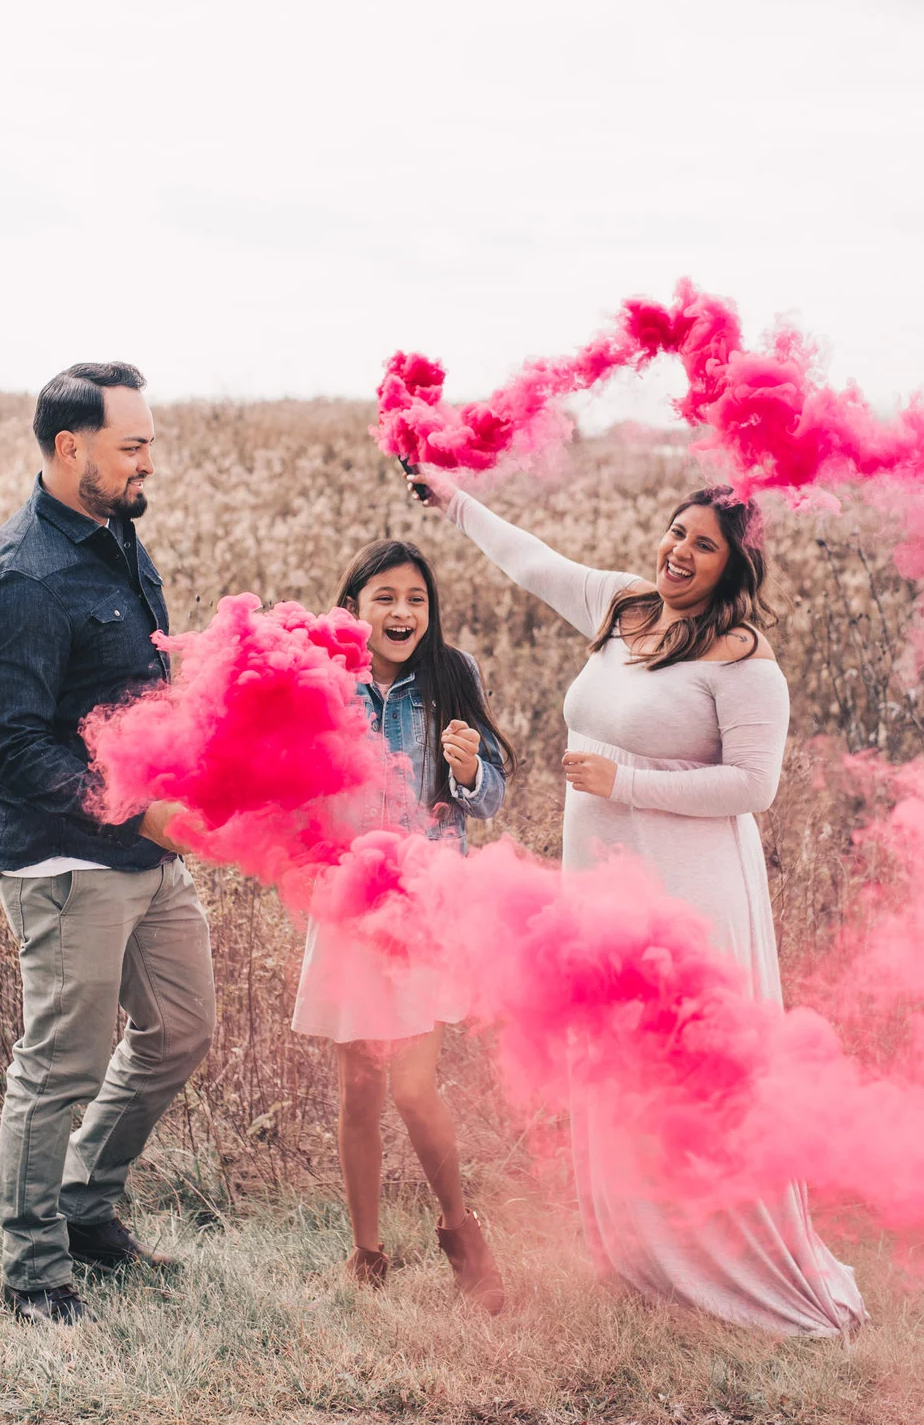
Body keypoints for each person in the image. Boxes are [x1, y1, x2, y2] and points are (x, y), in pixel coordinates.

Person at [415, 471, 865, 1338]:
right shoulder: (625, 608)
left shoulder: (742, 660)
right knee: (622, 1065)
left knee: (686, 1070)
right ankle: (648, 1258)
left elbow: (754, 787)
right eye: (675, 532)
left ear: (735, 566)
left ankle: (734, 1264)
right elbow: (531, 562)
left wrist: (625, 779)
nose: (679, 552)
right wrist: (455, 500)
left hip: (688, 886)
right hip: (604, 875)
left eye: (703, 545)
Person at [0, 361, 215, 1327]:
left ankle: (84, 1207)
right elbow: (16, 748)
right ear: (72, 450)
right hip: (68, 863)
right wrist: (137, 812)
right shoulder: (22, 574)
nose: (148, 459)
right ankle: (34, 1274)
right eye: (131, 445)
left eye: (149, 440)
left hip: (149, 855)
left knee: (181, 1030)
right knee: (59, 1068)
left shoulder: (118, 537)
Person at [290, 540, 511, 1308]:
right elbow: (290, 790)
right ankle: (367, 1252)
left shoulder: (454, 675)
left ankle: (460, 1229)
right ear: (353, 606)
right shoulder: (323, 681)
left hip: (424, 904)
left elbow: (489, 798)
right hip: (350, 901)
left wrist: (468, 768)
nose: (402, 612)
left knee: (416, 1088)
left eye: (415, 598)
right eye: (384, 597)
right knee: (359, 1085)